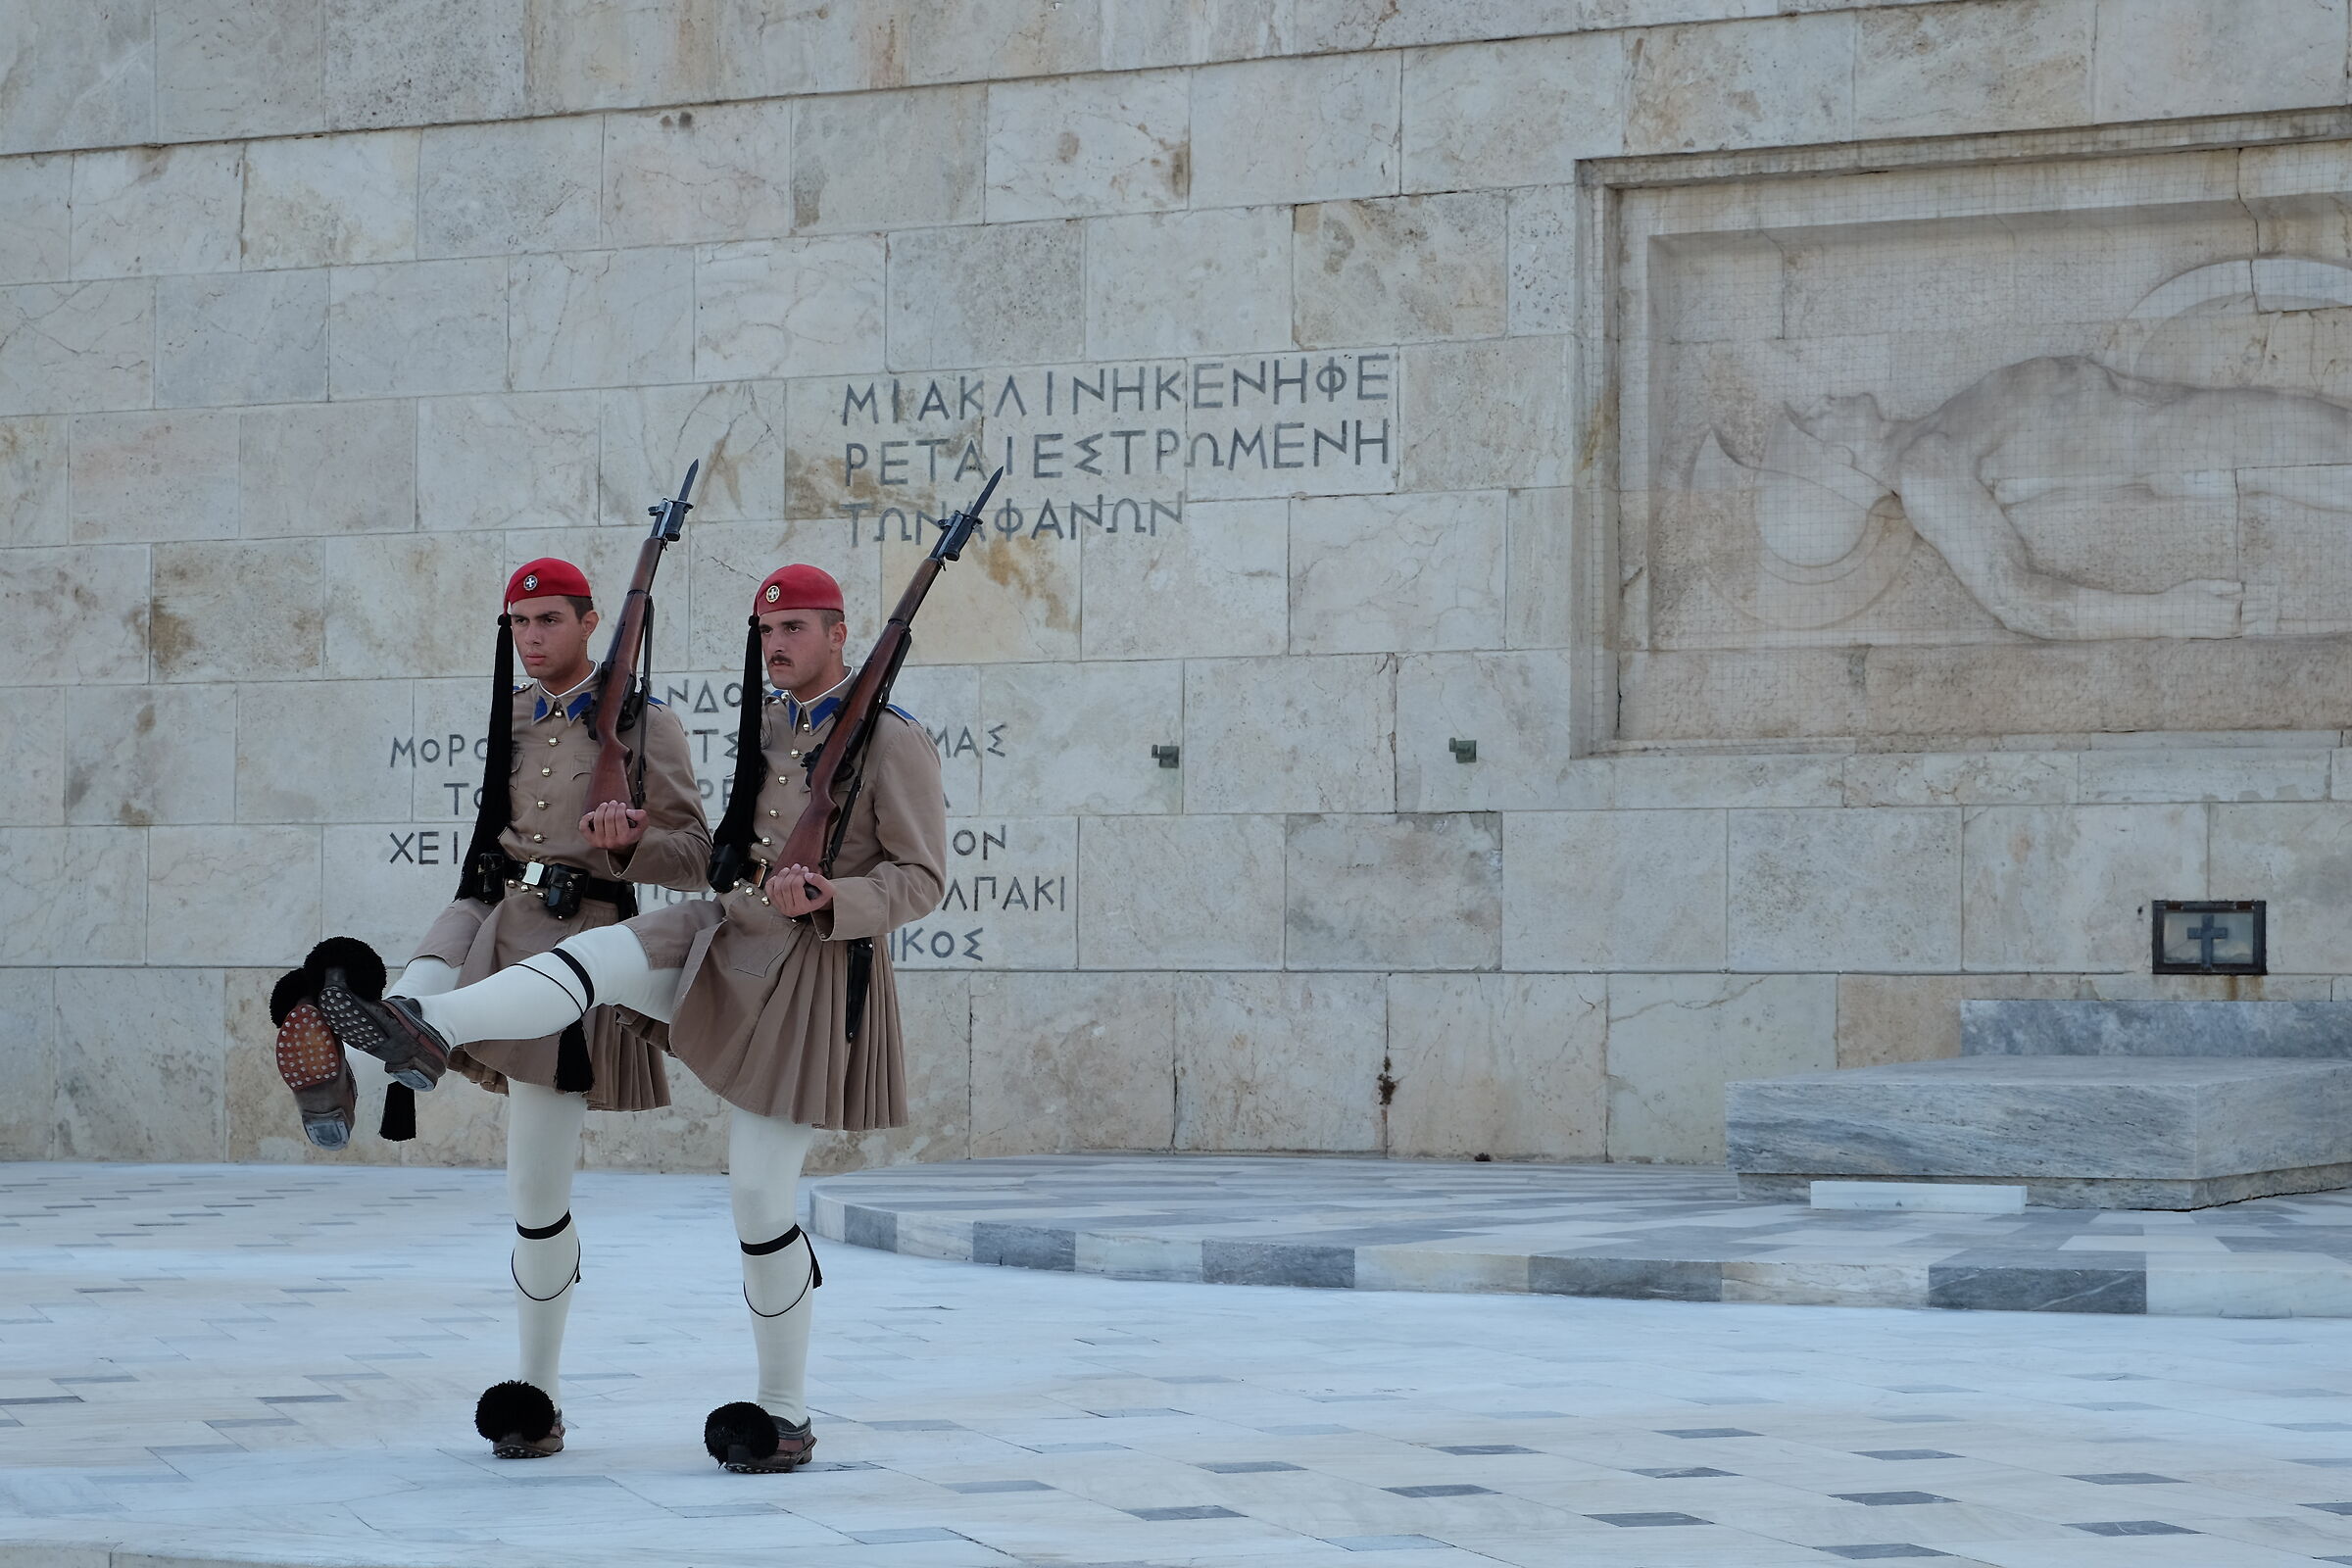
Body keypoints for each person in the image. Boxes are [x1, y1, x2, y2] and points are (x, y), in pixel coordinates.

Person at [293, 563, 945, 1474]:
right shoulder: (769, 725)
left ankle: (784, 1412)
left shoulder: (892, 742)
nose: (778, 647)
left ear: (840, 635)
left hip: (809, 971)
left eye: (796, 630)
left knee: (760, 1199)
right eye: (767, 634)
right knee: (591, 962)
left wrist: (836, 894)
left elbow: (921, 878)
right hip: (725, 932)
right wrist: (639, 846)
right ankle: (421, 1026)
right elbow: (714, 859)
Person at [271, 557, 710, 1461]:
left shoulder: (643, 721)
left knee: (535, 1196)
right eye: (519, 624)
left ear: (591, 623)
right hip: (487, 907)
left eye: (549, 620)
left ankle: (537, 1397)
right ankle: (345, 1072)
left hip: (576, 935)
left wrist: (632, 843)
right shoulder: (507, 715)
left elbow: (701, 851)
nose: (532, 638)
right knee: (408, 996)